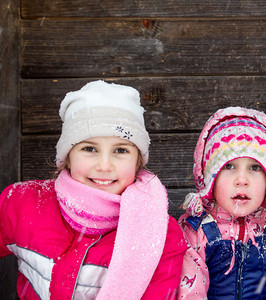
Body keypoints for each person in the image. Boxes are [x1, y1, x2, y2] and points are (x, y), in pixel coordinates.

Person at [0, 80, 187, 299]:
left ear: (138, 161)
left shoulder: (161, 234)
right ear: (68, 157)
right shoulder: (22, 202)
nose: (104, 165)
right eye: (89, 148)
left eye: (121, 150)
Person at [177, 106, 266, 299]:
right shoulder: (195, 232)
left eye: (255, 167)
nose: (242, 179)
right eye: (229, 166)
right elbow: (188, 292)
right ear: (210, 175)